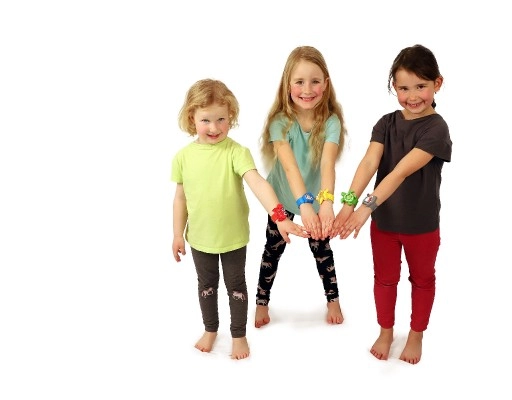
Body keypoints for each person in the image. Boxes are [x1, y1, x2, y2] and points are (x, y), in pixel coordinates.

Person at [171, 79, 308, 360]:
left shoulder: (235, 152)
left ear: (230, 116)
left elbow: (257, 183)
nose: (214, 127)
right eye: (206, 120)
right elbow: (180, 199)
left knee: (236, 287)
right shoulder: (183, 157)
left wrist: (280, 217)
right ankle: (210, 329)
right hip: (199, 238)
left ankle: (238, 335)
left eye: (221, 119)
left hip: (233, 238)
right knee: (206, 286)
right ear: (191, 118)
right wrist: (176, 234)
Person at [332, 44, 452, 364]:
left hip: (422, 226)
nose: (412, 96)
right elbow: (370, 162)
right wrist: (347, 205)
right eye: (403, 88)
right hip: (385, 224)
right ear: (394, 87)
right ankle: (386, 331)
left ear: (437, 83)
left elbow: (400, 172)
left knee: (422, 280)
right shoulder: (386, 123)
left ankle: (416, 334)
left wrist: (364, 209)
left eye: (421, 86)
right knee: (384, 279)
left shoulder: (437, 128)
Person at [254, 46, 347, 328]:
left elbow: (327, 164)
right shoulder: (280, 122)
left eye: (315, 81)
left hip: (317, 198)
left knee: (322, 249)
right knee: (273, 249)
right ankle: (261, 301)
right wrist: (303, 205)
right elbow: (290, 167)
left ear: (325, 84)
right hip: (283, 197)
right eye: (299, 82)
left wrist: (326, 203)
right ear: (288, 85)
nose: (307, 89)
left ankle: (333, 299)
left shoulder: (331, 121)